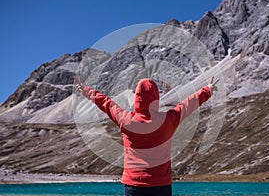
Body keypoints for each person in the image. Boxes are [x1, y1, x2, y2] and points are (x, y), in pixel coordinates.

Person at [75, 76, 219, 196]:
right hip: (161, 186)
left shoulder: (126, 120)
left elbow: (106, 103)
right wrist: (207, 90)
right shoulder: (168, 120)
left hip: (133, 185)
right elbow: (188, 105)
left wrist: (87, 90)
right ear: (156, 98)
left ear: (137, 98)